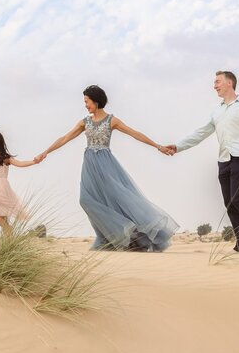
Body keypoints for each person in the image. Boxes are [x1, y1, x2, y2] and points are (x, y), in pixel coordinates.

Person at [34, 85, 179, 251]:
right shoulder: (84, 122)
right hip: (89, 165)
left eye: (87, 101)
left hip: (106, 164)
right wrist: (46, 152)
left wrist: (158, 146)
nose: (85, 105)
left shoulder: (112, 120)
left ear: (95, 101)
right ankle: (110, 235)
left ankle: (130, 236)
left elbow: (135, 133)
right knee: (86, 200)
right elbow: (65, 138)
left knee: (117, 199)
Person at [166, 71, 239, 256]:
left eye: (217, 81)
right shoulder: (217, 111)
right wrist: (178, 146)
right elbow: (200, 133)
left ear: (229, 83)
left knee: (238, 198)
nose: (214, 85)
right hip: (223, 159)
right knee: (229, 203)